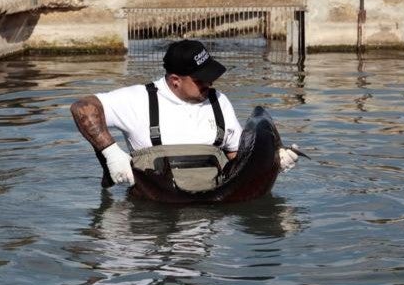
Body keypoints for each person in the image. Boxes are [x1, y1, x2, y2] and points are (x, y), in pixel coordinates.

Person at [71, 39, 299, 186]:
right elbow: (82, 107)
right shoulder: (138, 99)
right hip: (152, 218)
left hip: (214, 215)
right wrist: (111, 153)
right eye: (201, 79)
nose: (209, 84)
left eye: (211, 77)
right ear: (175, 80)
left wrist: (271, 162)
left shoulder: (219, 101)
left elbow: (237, 159)